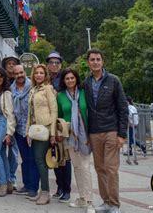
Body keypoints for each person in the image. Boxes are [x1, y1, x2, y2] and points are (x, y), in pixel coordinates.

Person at [84, 49, 128, 213]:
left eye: (98, 59)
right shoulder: (87, 82)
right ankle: (106, 202)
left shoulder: (113, 81)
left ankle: (114, 204)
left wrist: (122, 134)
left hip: (111, 130)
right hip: (95, 132)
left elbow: (123, 108)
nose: (95, 62)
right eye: (92, 59)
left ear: (102, 62)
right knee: (99, 168)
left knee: (111, 168)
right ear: (88, 63)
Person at [57, 68, 95, 212]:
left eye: (72, 78)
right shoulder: (60, 96)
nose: (70, 80)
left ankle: (90, 201)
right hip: (70, 137)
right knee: (77, 167)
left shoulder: (84, 93)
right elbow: (59, 117)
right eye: (67, 78)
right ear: (64, 81)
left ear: (76, 79)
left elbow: (91, 112)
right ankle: (82, 198)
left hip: (85, 136)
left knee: (85, 168)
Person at [26, 64, 57, 205]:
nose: (38, 75)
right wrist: (28, 132)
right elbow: (30, 113)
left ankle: (45, 192)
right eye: (36, 73)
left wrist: (52, 133)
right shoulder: (33, 90)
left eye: (41, 73)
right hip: (35, 130)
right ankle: (42, 191)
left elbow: (54, 110)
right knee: (37, 160)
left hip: (45, 128)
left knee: (40, 160)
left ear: (45, 75)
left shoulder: (48, 89)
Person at [46, 51, 71, 202]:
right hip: (49, 122)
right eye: (52, 62)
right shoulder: (45, 79)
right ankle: (59, 186)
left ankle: (66, 189)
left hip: (62, 122)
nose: (54, 65)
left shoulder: (64, 79)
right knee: (54, 154)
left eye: (57, 63)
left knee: (65, 158)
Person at [11, 65, 40, 198]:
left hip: (31, 129)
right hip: (18, 129)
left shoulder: (32, 86)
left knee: (33, 158)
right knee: (24, 158)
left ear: (25, 72)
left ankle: (33, 187)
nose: (19, 75)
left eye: (21, 72)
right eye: (16, 73)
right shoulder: (11, 89)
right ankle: (27, 184)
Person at [0, 67, 16, 197]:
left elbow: (10, 114)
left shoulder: (6, 93)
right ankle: (9, 183)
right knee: (1, 153)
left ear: (4, 78)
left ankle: (3, 183)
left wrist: (9, 133)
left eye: (0, 76)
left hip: (2, 121)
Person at [1, 56, 20, 189]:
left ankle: (12, 177)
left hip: (17, 121)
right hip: (2, 120)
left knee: (13, 151)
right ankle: (3, 176)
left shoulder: (20, 82)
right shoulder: (1, 81)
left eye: (14, 64)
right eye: (9, 63)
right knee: (0, 150)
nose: (11, 66)